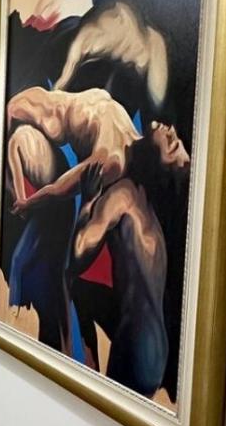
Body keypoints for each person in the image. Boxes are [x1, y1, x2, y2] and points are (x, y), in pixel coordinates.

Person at [5, 86, 189, 217]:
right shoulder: (133, 134)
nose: (172, 131)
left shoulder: (112, 162)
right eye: (177, 139)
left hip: (42, 126)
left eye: (172, 145)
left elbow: (58, 189)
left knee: (12, 128)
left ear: (158, 165)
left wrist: (26, 203)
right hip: (41, 106)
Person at [68, 166, 169, 397]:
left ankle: (88, 368)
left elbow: (76, 256)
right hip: (157, 346)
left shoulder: (124, 195)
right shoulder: (148, 206)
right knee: (82, 291)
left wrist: (87, 202)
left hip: (135, 344)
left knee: (104, 415)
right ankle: (89, 366)